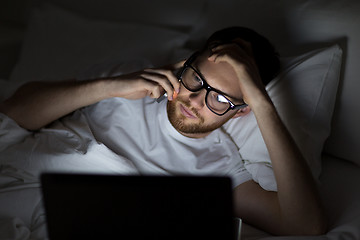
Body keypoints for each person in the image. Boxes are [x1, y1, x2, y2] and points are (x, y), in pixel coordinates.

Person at [0, 26, 326, 235]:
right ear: (186, 64)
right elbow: (15, 112)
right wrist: (108, 87)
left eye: (221, 99)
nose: (196, 101)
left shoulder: (219, 164)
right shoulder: (130, 77)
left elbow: (304, 226)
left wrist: (260, 100)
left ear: (242, 111)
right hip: (17, 172)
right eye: (197, 79)